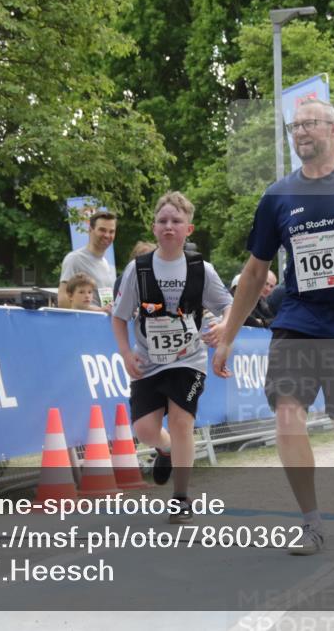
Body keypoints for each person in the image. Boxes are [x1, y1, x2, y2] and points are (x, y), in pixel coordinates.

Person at [212, 98, 334, 556]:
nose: (300, 131)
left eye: (310, 124)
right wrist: (228, 336)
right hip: (299, 317)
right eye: (294, 126)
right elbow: (256, 271)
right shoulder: (278, 195)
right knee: (287, 410)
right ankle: (311, 522)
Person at [111, 192, 232, 525]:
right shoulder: (138, 269)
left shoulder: (201, 269)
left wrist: (224, 326)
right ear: (154, 228)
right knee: (144, 430)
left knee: (181, 421)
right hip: (149, 361)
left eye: (176, 221)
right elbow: (118, 317)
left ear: (188, 229)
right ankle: (163, 448)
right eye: (162, 221)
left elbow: (229, 305)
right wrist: (125, 353)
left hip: (188, 359)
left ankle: (181, 497)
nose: (169, 226)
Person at [58, 210, 117, 310]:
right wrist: (98, 311)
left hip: (103, 320)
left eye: (111, 231)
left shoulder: (106, 264)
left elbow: (107, 305)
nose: (107, 235)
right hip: (85, 320)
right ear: (90, 230)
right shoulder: (75, 259)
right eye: (102, 230)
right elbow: (63, 302)